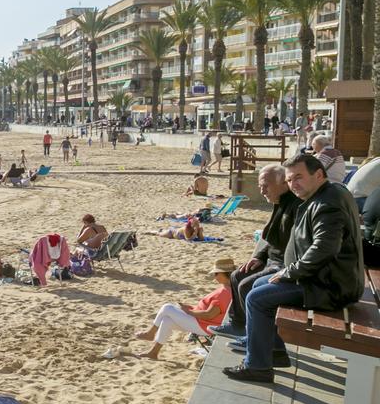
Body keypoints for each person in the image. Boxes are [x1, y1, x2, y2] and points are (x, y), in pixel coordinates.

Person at [225, 153, 366, 383]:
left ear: (318, 174)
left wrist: (289, 272)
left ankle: (257, 367)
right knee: (258, 284)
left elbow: (324, 248)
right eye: (290, 180)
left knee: (256, 298)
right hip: (324, 278)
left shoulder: (327, 203)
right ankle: (275, 352)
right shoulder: (324, 194)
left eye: (298, 177)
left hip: (329, 286)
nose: (293, 185)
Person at [211, 165, 299, 340]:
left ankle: (253, 334)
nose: (262, 190)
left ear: (283, 184)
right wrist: (260, 256)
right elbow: (273, 240)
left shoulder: (294, 206)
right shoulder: (280, 202)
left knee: (246, 285)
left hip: (284, 266)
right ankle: (238, 325)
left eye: (266, 185)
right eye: (260, 186)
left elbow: (289, 246)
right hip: (272, 261)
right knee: (237, 276)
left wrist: (274, 264)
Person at [132, 258, 235, 359]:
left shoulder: (225, 293)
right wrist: (191, 309)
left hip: (204, 325)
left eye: (216, 273)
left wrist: (189, 311)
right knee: (167, 320)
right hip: (203, 321)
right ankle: (153, 352)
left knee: (167, 307)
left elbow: (209, 315)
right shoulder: (230, 288)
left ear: (225, 274)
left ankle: (150, 334)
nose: (214, 276)